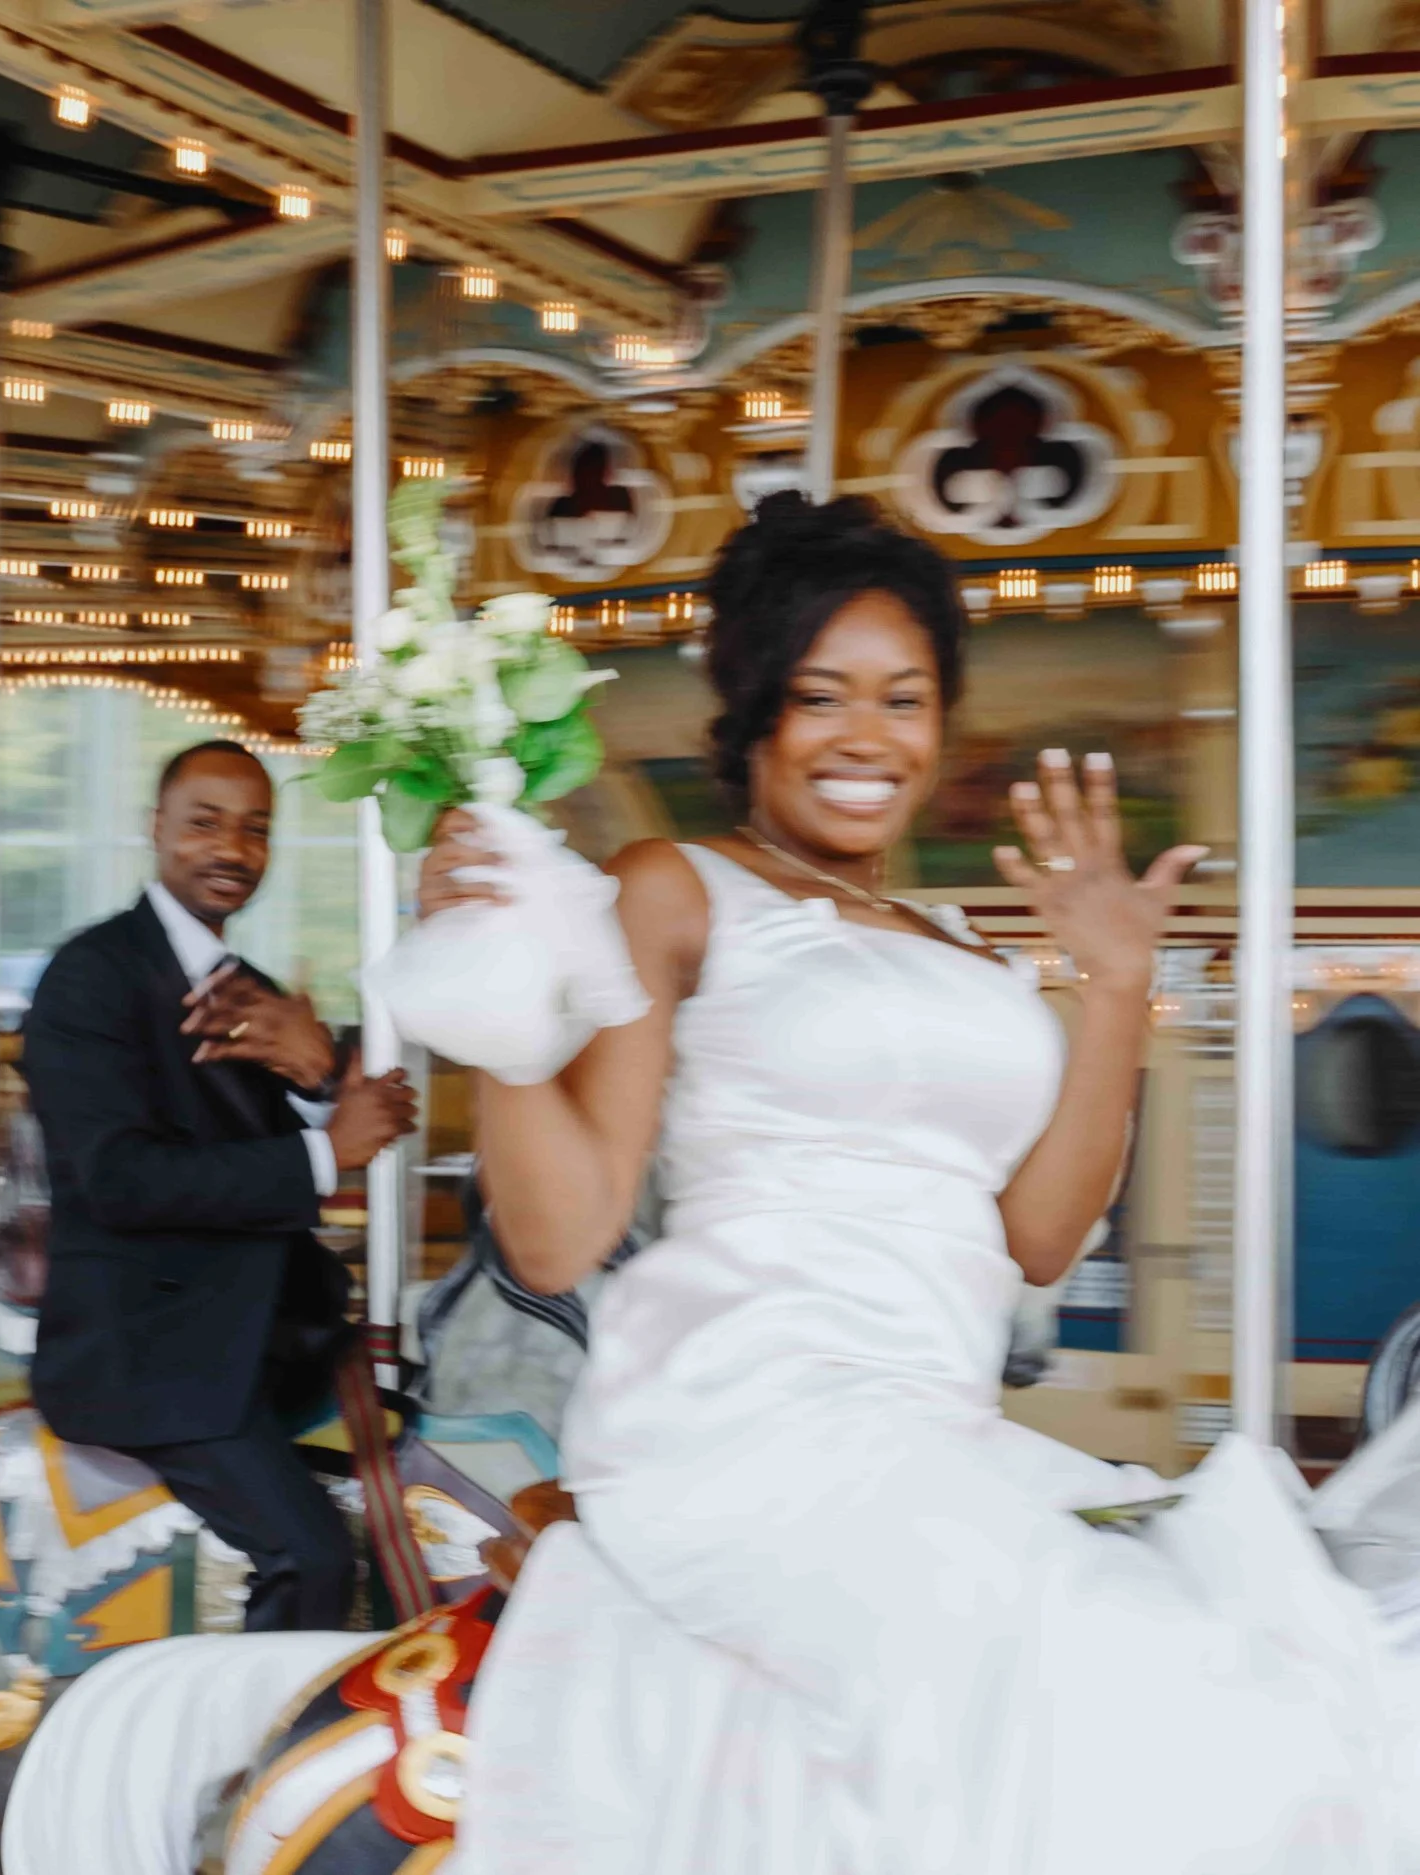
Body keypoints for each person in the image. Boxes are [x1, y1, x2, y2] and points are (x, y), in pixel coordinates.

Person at [414, 492, 1420, 1870]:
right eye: (820, 694)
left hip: (931, 1421)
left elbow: (1040, 1238)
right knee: (1116, 1667)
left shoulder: (954, 937)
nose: (866, 736)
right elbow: (559, 1231)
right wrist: (497, 996)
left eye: (904, 695)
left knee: (1268, 1627)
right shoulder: (679, 883)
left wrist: (1115, 982)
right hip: (749, 1417)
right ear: (757, 712)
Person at [20, 739, 419, 1632]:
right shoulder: (93, 977)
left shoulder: (255, 992)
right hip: (158, 1351)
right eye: (205, 823)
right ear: (156, 828)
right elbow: (119, 1181)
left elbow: (326, 1114)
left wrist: (320, 1076)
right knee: (313, 1554)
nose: (232, 849)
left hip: (264, 1337)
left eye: (256, 830)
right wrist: (326, 1155)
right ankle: (256, 1765)